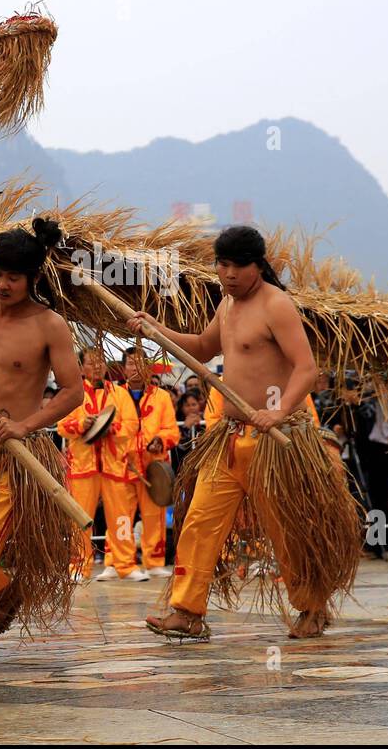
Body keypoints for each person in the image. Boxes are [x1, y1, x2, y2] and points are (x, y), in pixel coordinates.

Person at [136, 226, 362, 640]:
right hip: (229, 436)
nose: (227, 274)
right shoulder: (226, 304)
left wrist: (276, 411)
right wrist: (157, 330)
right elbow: (203, 348)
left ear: (257, 266)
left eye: (236, 266)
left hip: (276, 442)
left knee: (287, 528)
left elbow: (306, 369)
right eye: (222, 265)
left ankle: (312, 606)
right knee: (199, 521)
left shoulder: (277, 305)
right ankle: (187, 611)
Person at [0, 219, 84, 638]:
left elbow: (73, 392)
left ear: (32, 278)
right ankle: (4, 586)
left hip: (15, 452)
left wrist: (23, 426)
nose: (0, 284)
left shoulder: (49, 325)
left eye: (12, 278)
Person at [57, 347, 141, 581]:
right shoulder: (73, 394)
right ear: (81, 367)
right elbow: (63, 425)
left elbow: (132, 425)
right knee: (80, 518)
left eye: (100, 362)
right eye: (91, 363)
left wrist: (110, 427)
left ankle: (126, 565)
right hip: (83, 466)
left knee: (122, 517)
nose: (97, 367)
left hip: (114, 465)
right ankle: (78, 566)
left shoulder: (119, 393)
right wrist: (84, 424)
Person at [114, 345, 180, 577]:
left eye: (141, 363)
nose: (136, 368)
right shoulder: (113, 395)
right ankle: (117, 561)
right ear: (123, 369)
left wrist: (160, 441)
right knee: (121, 515)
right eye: (131, 363)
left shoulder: (161, 396)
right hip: (122, 464)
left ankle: (154, 561)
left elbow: (172, 430)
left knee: (154, 515)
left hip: (153, 466)